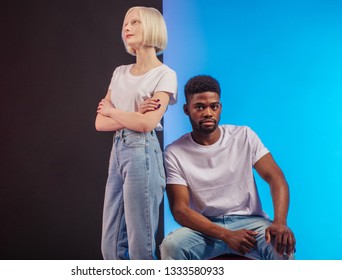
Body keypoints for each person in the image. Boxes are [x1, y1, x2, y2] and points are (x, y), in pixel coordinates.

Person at [157, 75, 295, 260]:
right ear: (186, 109)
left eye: (213, 106)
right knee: (172, 246)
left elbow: (276, 178)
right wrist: (225, 234)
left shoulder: (244, 136)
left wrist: (280, 222)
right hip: (205, 229)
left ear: (220, 108)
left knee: (280, 244)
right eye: (199, 107)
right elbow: (180, 210)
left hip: (251, 224)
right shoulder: (174, 152)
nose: (208, 113)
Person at [95, 6, 177, 260]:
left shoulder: (165, 74)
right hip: (118, 151)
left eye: (135, 22)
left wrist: (114, 110)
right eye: (125, 24)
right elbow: (99, 122)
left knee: (140, 247)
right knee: (110, 248)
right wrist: (132, 116)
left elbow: (147, 124)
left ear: (152, 27)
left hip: (142, 151)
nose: (126, 28)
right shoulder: (119, 72)